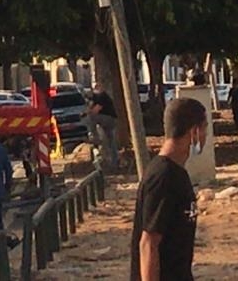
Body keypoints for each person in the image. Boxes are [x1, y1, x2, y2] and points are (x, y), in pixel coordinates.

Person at [131, 98, 207, 281]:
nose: (205, 136)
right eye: (205, 128)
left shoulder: (177, 174)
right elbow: (148, 243)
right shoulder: (163, 177)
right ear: (194, 132)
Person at [86, 83, 120, 170]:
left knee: (91, 117)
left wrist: (87, 112)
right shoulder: (96, 97)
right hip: (108, 120)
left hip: (109, 119)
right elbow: (91, 106)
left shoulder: (102, 96)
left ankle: (94, 136)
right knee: (110, 141)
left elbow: (95, 110)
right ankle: (114, 161)